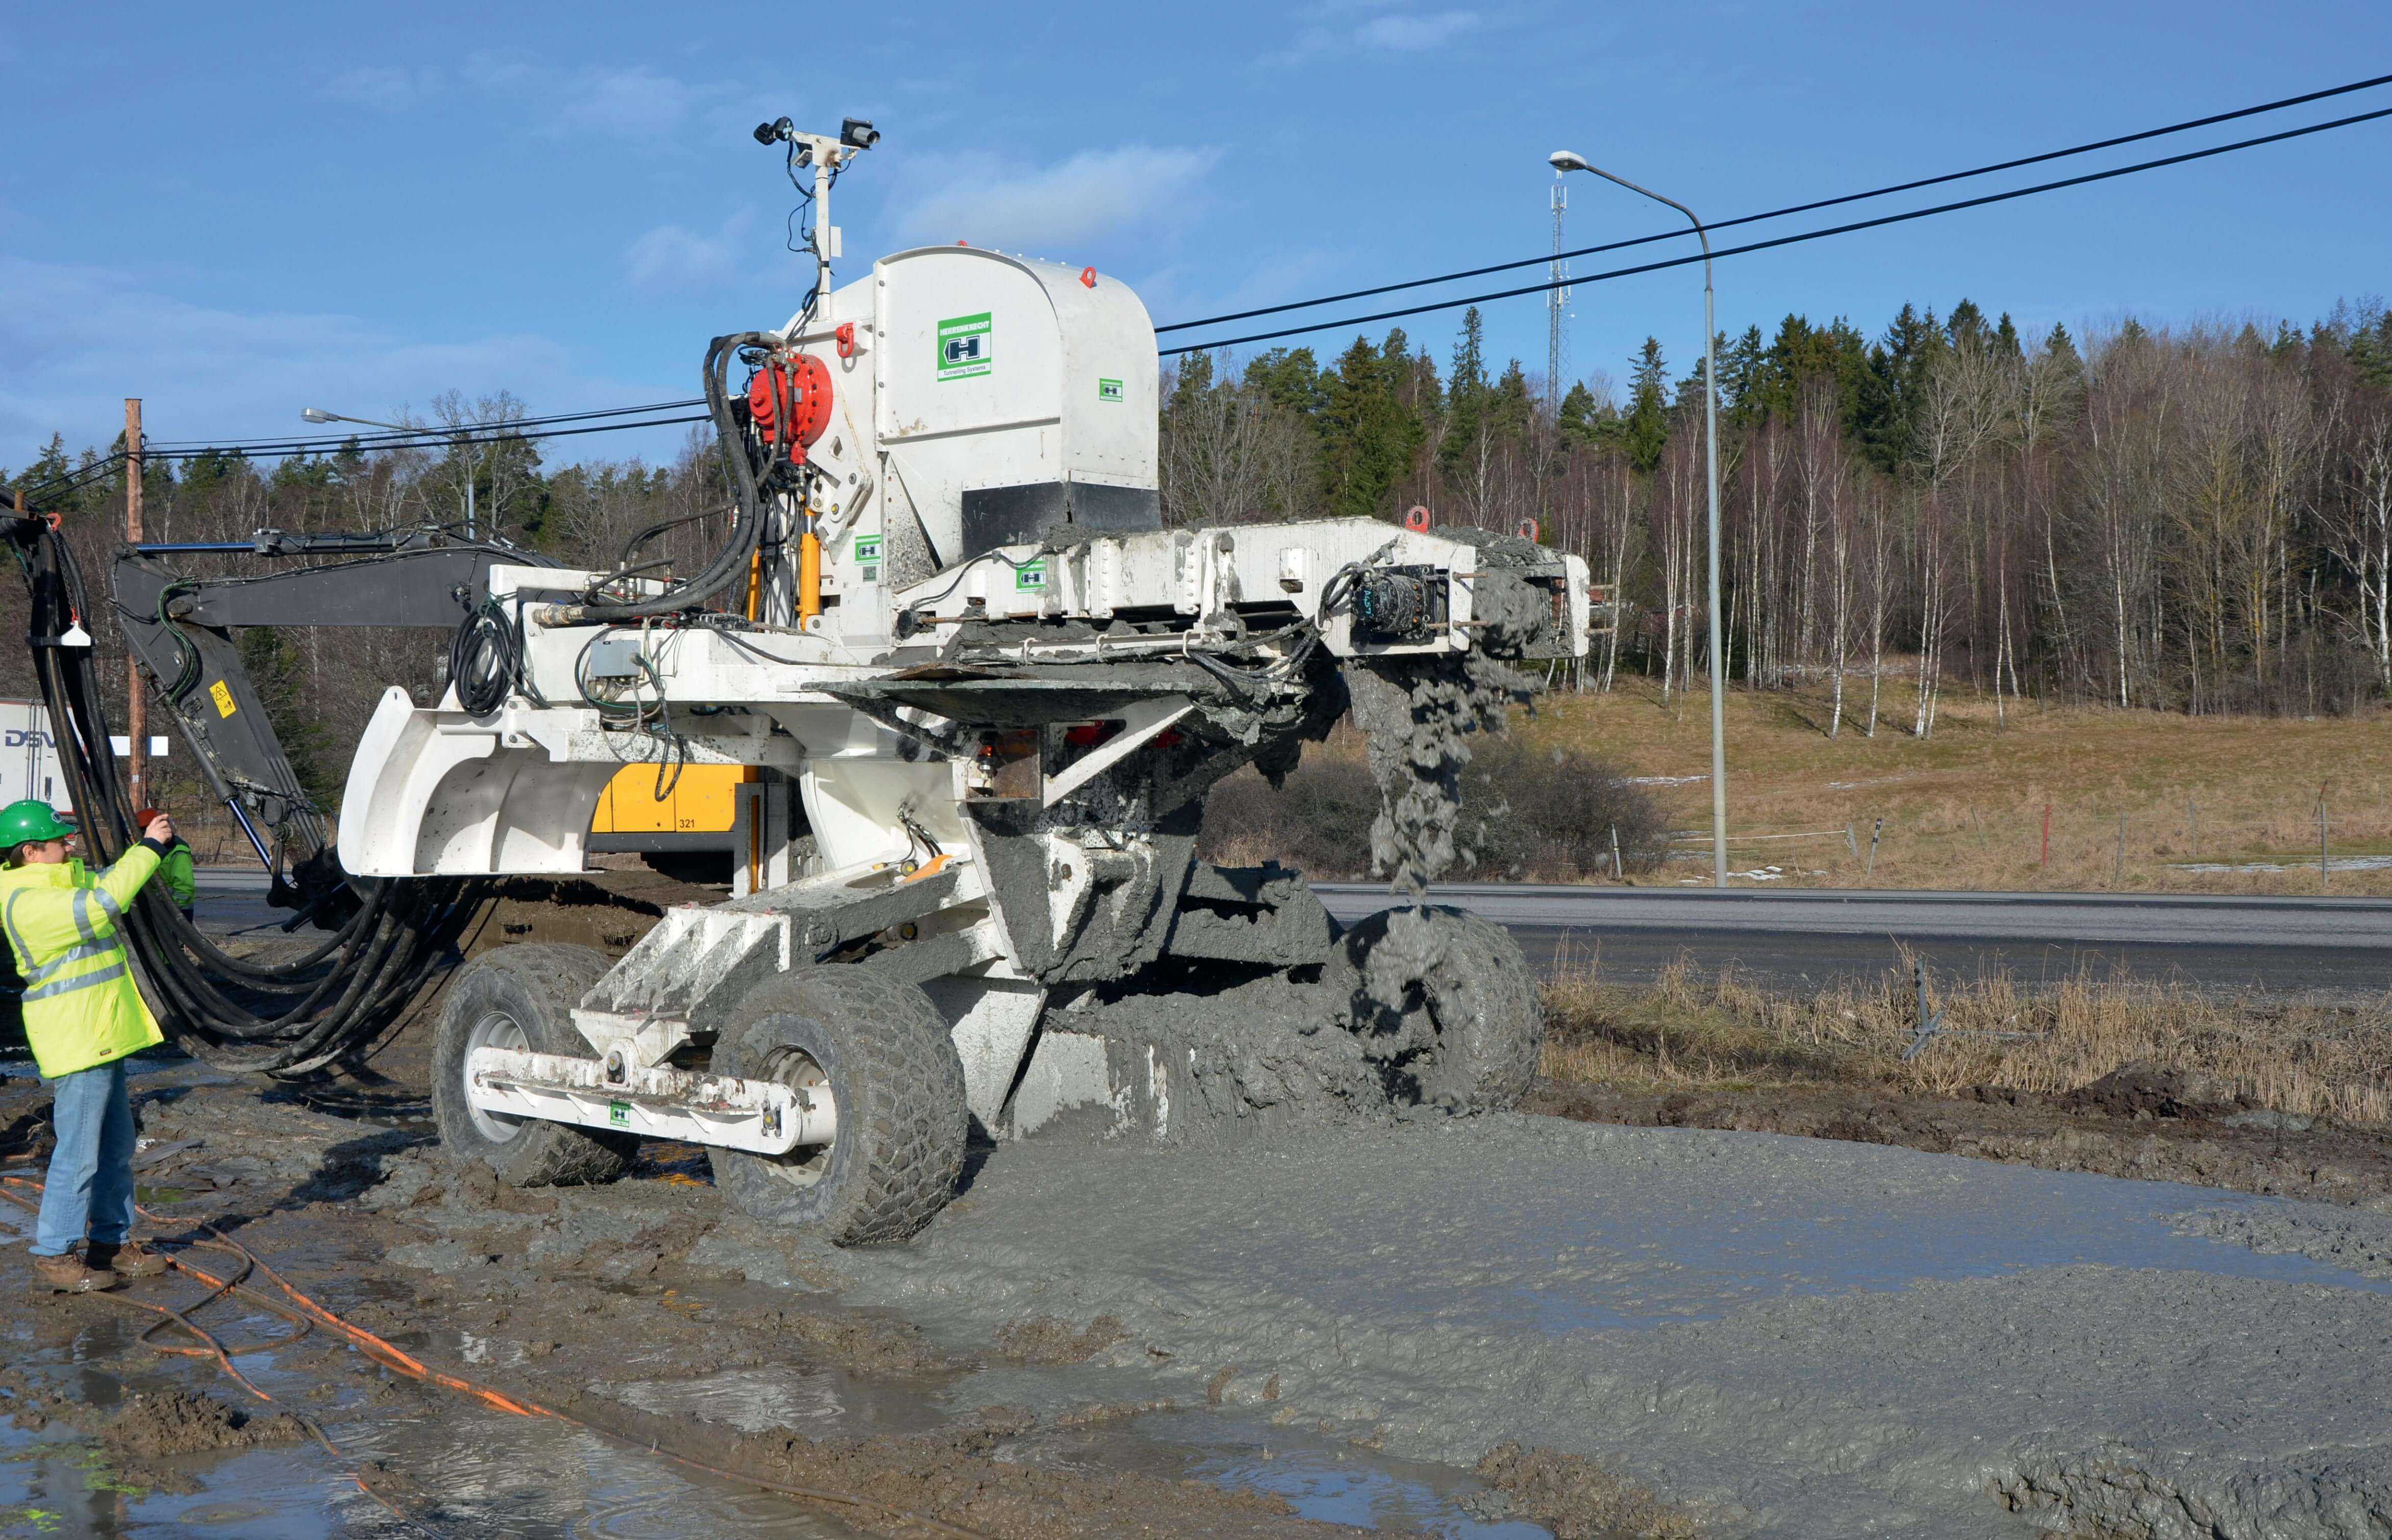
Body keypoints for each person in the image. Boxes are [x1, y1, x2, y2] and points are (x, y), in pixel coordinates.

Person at [0, 800, 177, 1294]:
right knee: (78, 1153)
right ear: (31, 852)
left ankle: (110, 1241)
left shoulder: (57, 883)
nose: (69, 845)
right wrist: (149, 849)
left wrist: (142, 849)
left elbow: (104, 882)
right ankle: (55, 1252)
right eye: (60, 840)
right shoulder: (27, 901)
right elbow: (104, 902)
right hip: (78, 1039)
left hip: (103, 1034)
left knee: (116, 1146)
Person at [134, 806, 197, 922]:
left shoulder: (178, 852)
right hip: (156, 908)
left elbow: (184, 890)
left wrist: (165, 905)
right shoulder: (149, 850)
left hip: (178, 911)